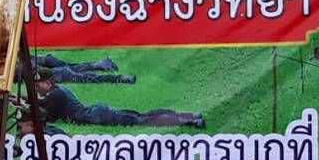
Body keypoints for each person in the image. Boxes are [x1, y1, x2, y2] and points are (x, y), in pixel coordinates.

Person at [31, 68, 202, 128]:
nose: (36, 88)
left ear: (48, 82)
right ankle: (189, 116)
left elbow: (47, 116)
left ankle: (189, 120)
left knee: (141, 120)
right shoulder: (58, 91)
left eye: (38, 85)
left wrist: (25, 104)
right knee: (142, 116)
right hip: (98, 113)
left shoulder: (56, 95)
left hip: (98, 116)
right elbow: (40, 103)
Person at [33, 53, 136, 84]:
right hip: (45, 61)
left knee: (83, 76)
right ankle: (100, 65)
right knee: (72, 68)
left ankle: (120, 78)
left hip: (47, 68)